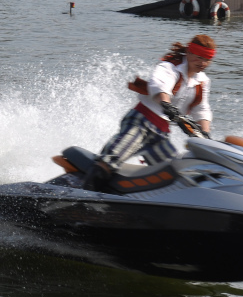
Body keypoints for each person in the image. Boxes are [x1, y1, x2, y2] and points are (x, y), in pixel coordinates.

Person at [82, 34, 216, 191]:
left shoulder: (203, 82)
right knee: (108, 162)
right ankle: (81, 201)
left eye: (206, 60)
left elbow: (201, 109)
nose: (202, 63)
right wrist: (167, 104)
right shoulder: (170, 67)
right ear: (189, 53)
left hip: (160, 133)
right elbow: (159, 85)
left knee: (173, 176)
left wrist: (205, 135)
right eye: (199, 57)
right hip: (141, 123)